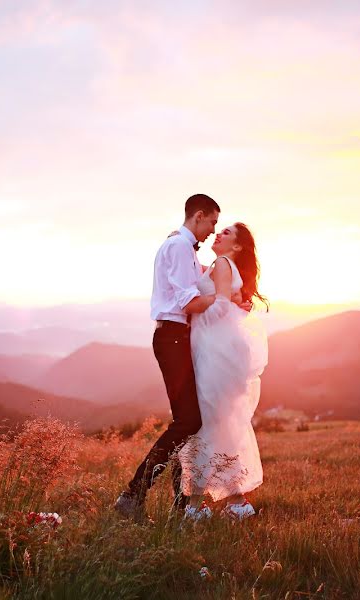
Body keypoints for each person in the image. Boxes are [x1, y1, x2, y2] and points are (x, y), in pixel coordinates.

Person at [113, 193, 223, 518]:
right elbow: (190, 302)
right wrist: (221, 299)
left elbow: (197, 281)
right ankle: (133, 494)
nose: (213, 230)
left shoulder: (182, 247)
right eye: (212, 222)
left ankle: (173, 499)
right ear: (198, 215)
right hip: (172, 337)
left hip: (178, 338)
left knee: (186, 422)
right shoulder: (177, 246)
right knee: (189, 420)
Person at [178, 222, 269, 521]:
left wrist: (189, 305)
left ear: (238, 246)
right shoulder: (222, 265)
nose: (219, 233)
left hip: (215, 356)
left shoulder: (221, 263)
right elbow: (220, 294)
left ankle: (196, 507)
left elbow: (217, 308)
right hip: (223, 353)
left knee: (208, 425)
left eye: (226, 232)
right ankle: (236, 502)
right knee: (220, 424)